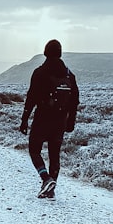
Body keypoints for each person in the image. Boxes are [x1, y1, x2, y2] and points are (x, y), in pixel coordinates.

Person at [19, 39, 80, 199]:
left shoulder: (40, 72)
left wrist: (24, 119)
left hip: (42, 118)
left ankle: (46, 179)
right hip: (60, 120)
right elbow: (74, 101)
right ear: (59, 53)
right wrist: (71, 121)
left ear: (45, 52)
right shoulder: (69, 75)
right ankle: (50, 188)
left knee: (34, 150)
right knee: (55, 154)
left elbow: (31, 98)